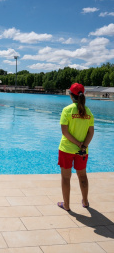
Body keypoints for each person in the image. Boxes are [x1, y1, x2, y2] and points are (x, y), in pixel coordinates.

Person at [57, 83, 94, 211]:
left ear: (71, 95)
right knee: (82, 176)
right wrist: (83, 146)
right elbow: (91, 132)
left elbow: (65, 132)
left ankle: (66, 205)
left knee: (66, 177)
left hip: (67, 149)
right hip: (82, 151)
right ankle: (85, 201)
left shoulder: (67, 110)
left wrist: (78, 144)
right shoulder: (88, 112)